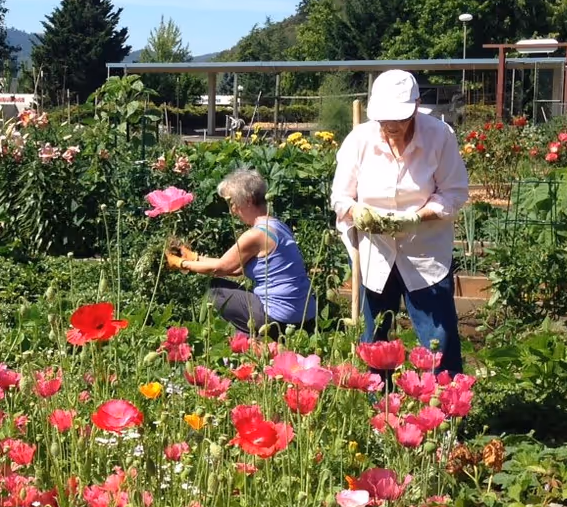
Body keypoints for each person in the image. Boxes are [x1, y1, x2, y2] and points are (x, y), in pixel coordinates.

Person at [331, 69, 470, 372]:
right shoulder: (359, 140)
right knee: (376, 341)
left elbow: (454, 192)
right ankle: (379, 409)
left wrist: (417, 217)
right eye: (384, 119)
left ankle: (446, 410)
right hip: (376, 253)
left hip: (425, 253)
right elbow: (340, 197)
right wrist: (361, 214)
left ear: (416, 106)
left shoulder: (439, 136)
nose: (391, 126)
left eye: (399, 118)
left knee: (440, 338)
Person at [166, 167, 318, 336]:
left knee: (217, 291)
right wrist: (195, 258)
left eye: (233, 204)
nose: (232, 211)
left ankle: (253, 340)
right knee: (235, 294)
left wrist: (181, 263)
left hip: (279, 317)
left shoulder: (256, 235)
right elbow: (237, 268)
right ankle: (249, 340)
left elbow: (221, 269)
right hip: (305, 314)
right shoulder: (277, 225)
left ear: (247, 200)